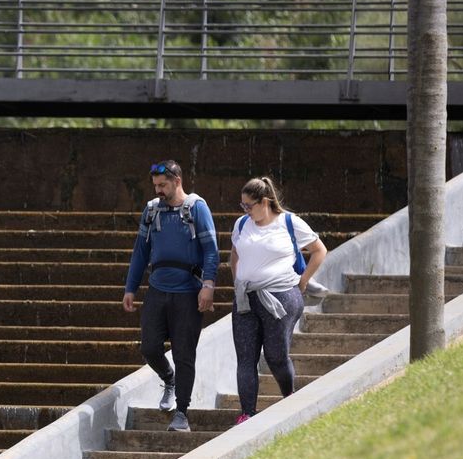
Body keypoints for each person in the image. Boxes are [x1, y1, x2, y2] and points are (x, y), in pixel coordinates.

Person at [123, 160, 219, 433]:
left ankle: (182, 412)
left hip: (188, 292)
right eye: (155, 186)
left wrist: (208, 285)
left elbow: (211, 250)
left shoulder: (197, 208)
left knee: (184, 354)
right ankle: (168, 378)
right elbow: (140, 251)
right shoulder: (152, 210)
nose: (158, 191)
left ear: (178, 181)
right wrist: (131, 288)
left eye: (163, 185)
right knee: (149, 347)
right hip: (157, 289)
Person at [229, 176, 328, 424]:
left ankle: (289, 397)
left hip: (281, 296)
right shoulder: (242, 224)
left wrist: (303, 280)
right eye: (243, 206)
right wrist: (238, 282)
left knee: (275, 356)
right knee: (246, 357)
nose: (245, 210)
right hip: (246, 299)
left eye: (249, 205)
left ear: (264, 202)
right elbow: (235, 255)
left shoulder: (288, 222)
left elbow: (319, 250)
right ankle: (247, 413)